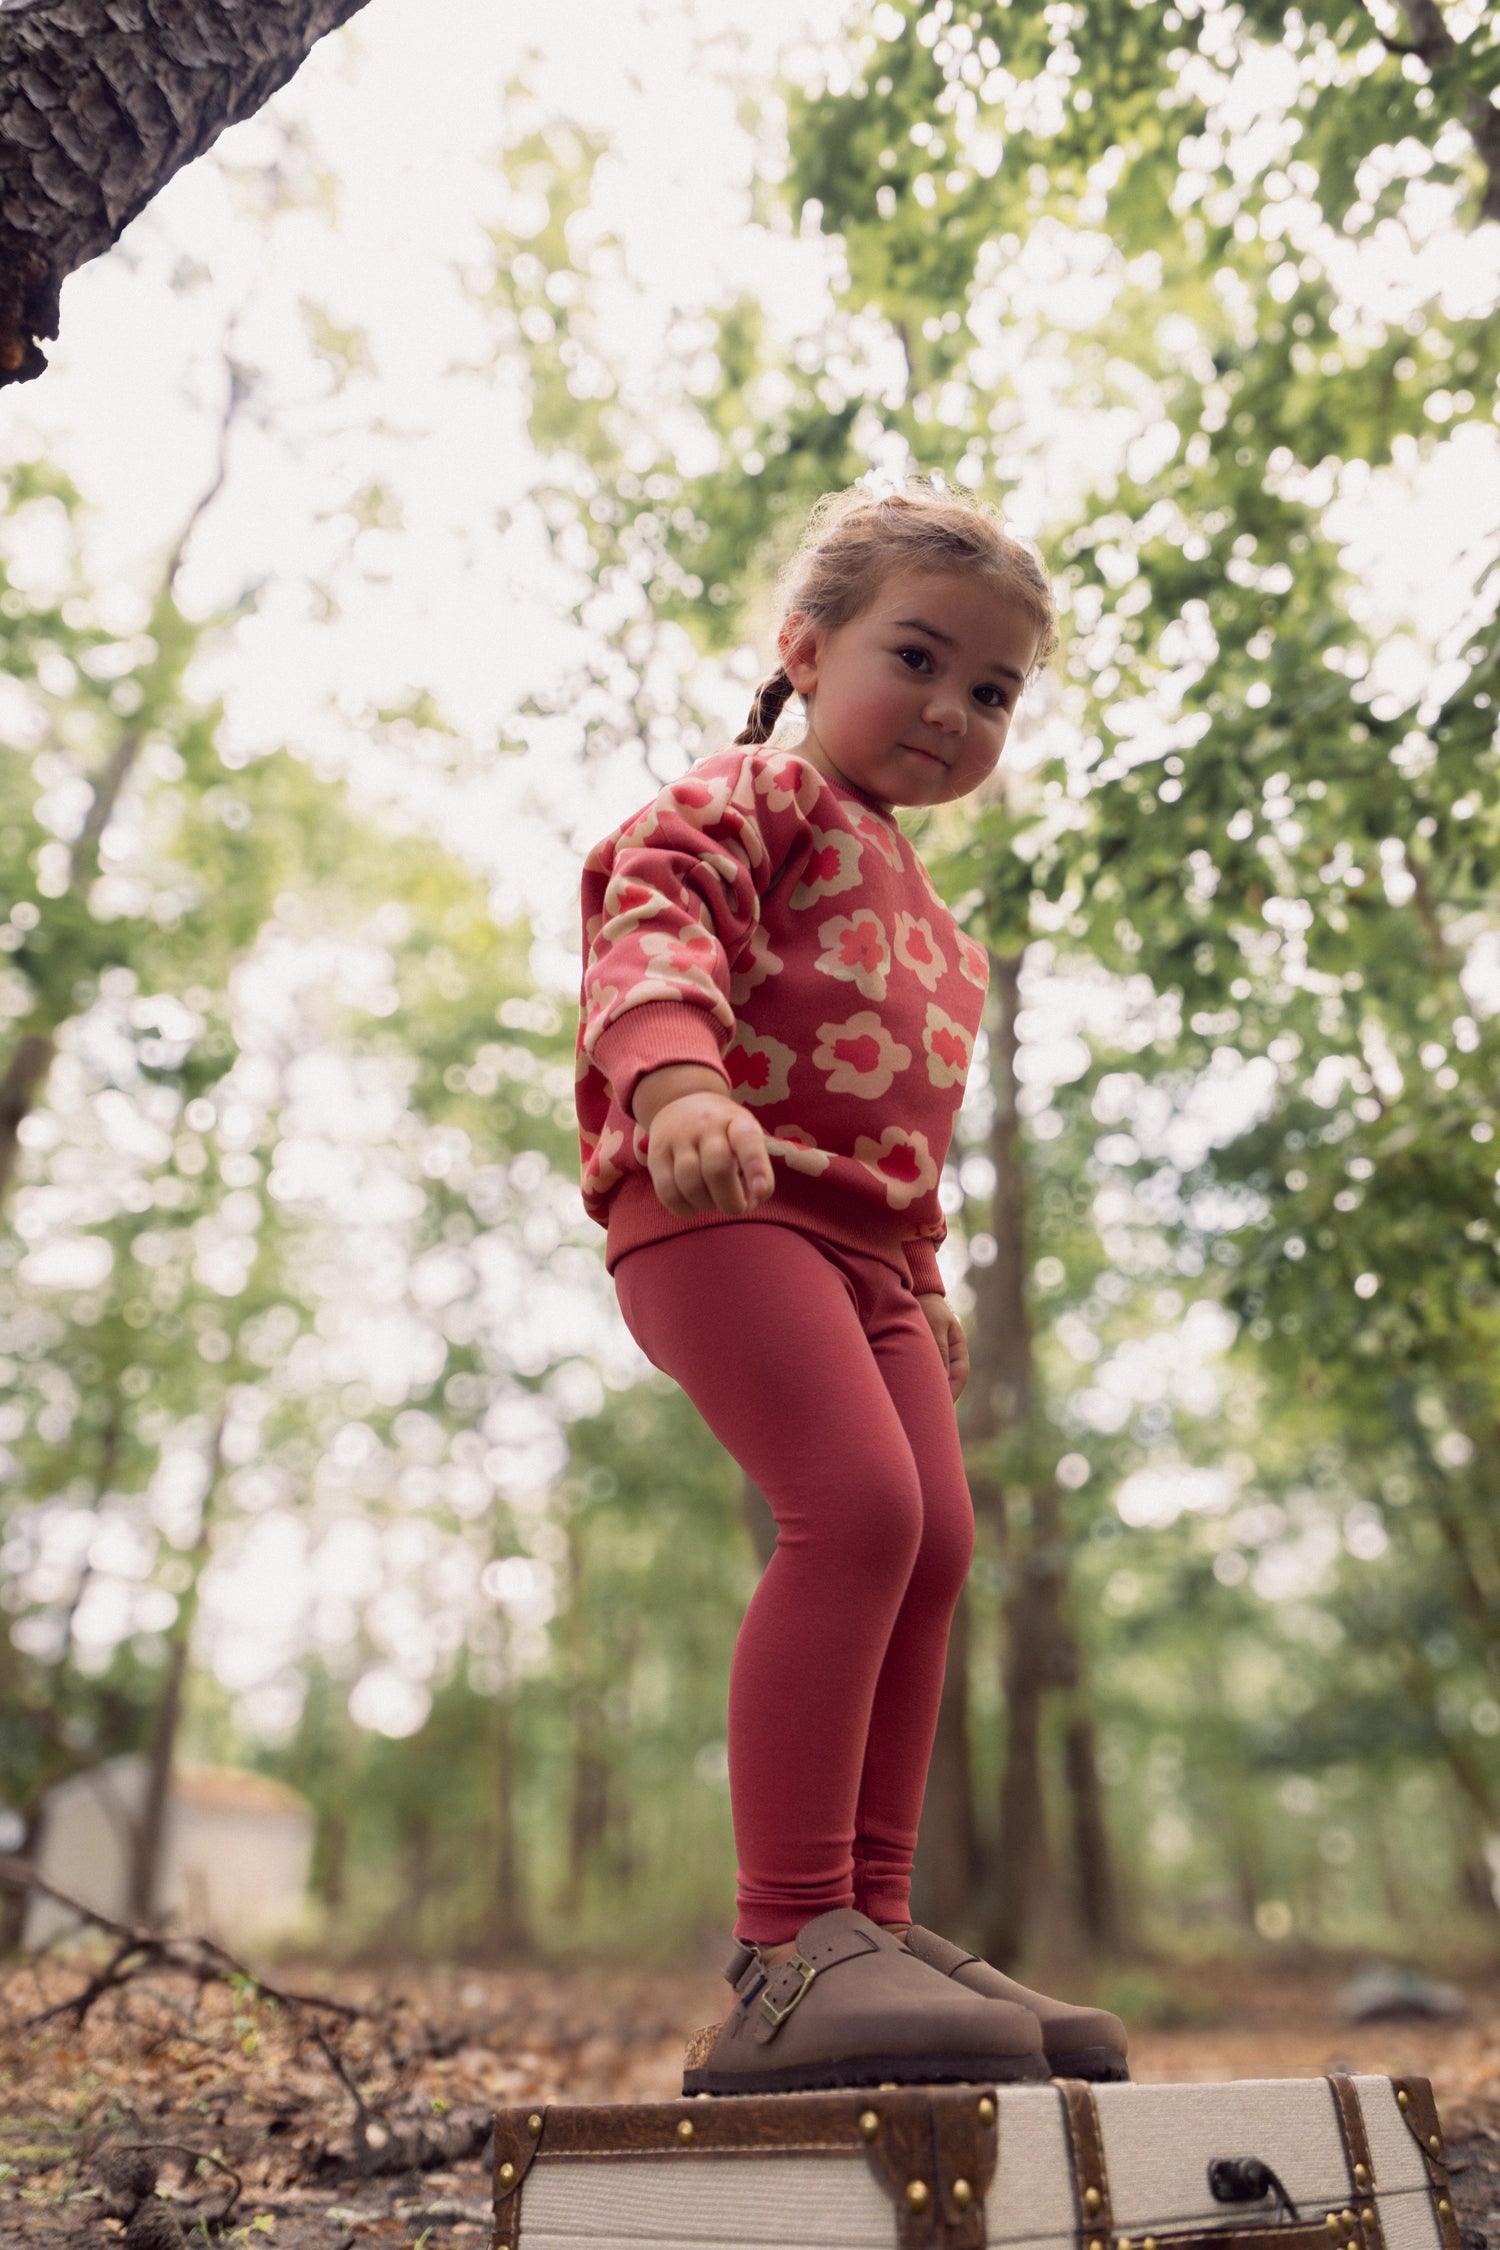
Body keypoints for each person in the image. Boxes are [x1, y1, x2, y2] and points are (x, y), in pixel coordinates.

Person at [576, 481, 1127, 2094]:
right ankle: (788, 1939)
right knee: (858, 1512)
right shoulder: (752, 796)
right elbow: (648, 919)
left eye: (994, 690)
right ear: (805, 651)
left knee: (940, 1539)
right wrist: (677, 1086)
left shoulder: (938, 925)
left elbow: (893, 1115)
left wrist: (933, 1273)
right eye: (921, 657)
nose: (955, 711)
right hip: (717, 1203)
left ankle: (872, 1929)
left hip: (869, 1255)